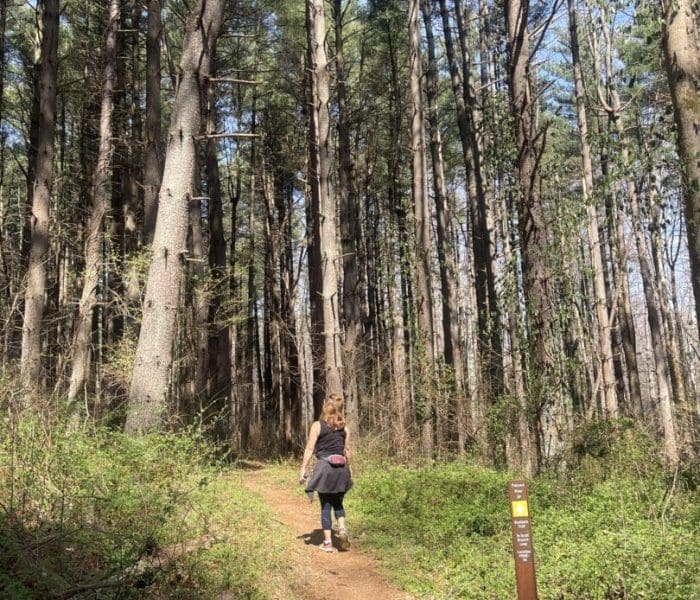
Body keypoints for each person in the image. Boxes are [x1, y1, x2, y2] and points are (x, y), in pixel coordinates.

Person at [299, 394, 352, 552]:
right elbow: (347, 450)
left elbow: (309, 448)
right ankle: (341, 528)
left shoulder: (317, 425)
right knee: (338, 502)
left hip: (325, 468)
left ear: (325, 406)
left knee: (325, 505)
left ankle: (328, 543)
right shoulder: (344, 427)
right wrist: (349, 469)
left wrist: (303, 468)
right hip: (341, 470)